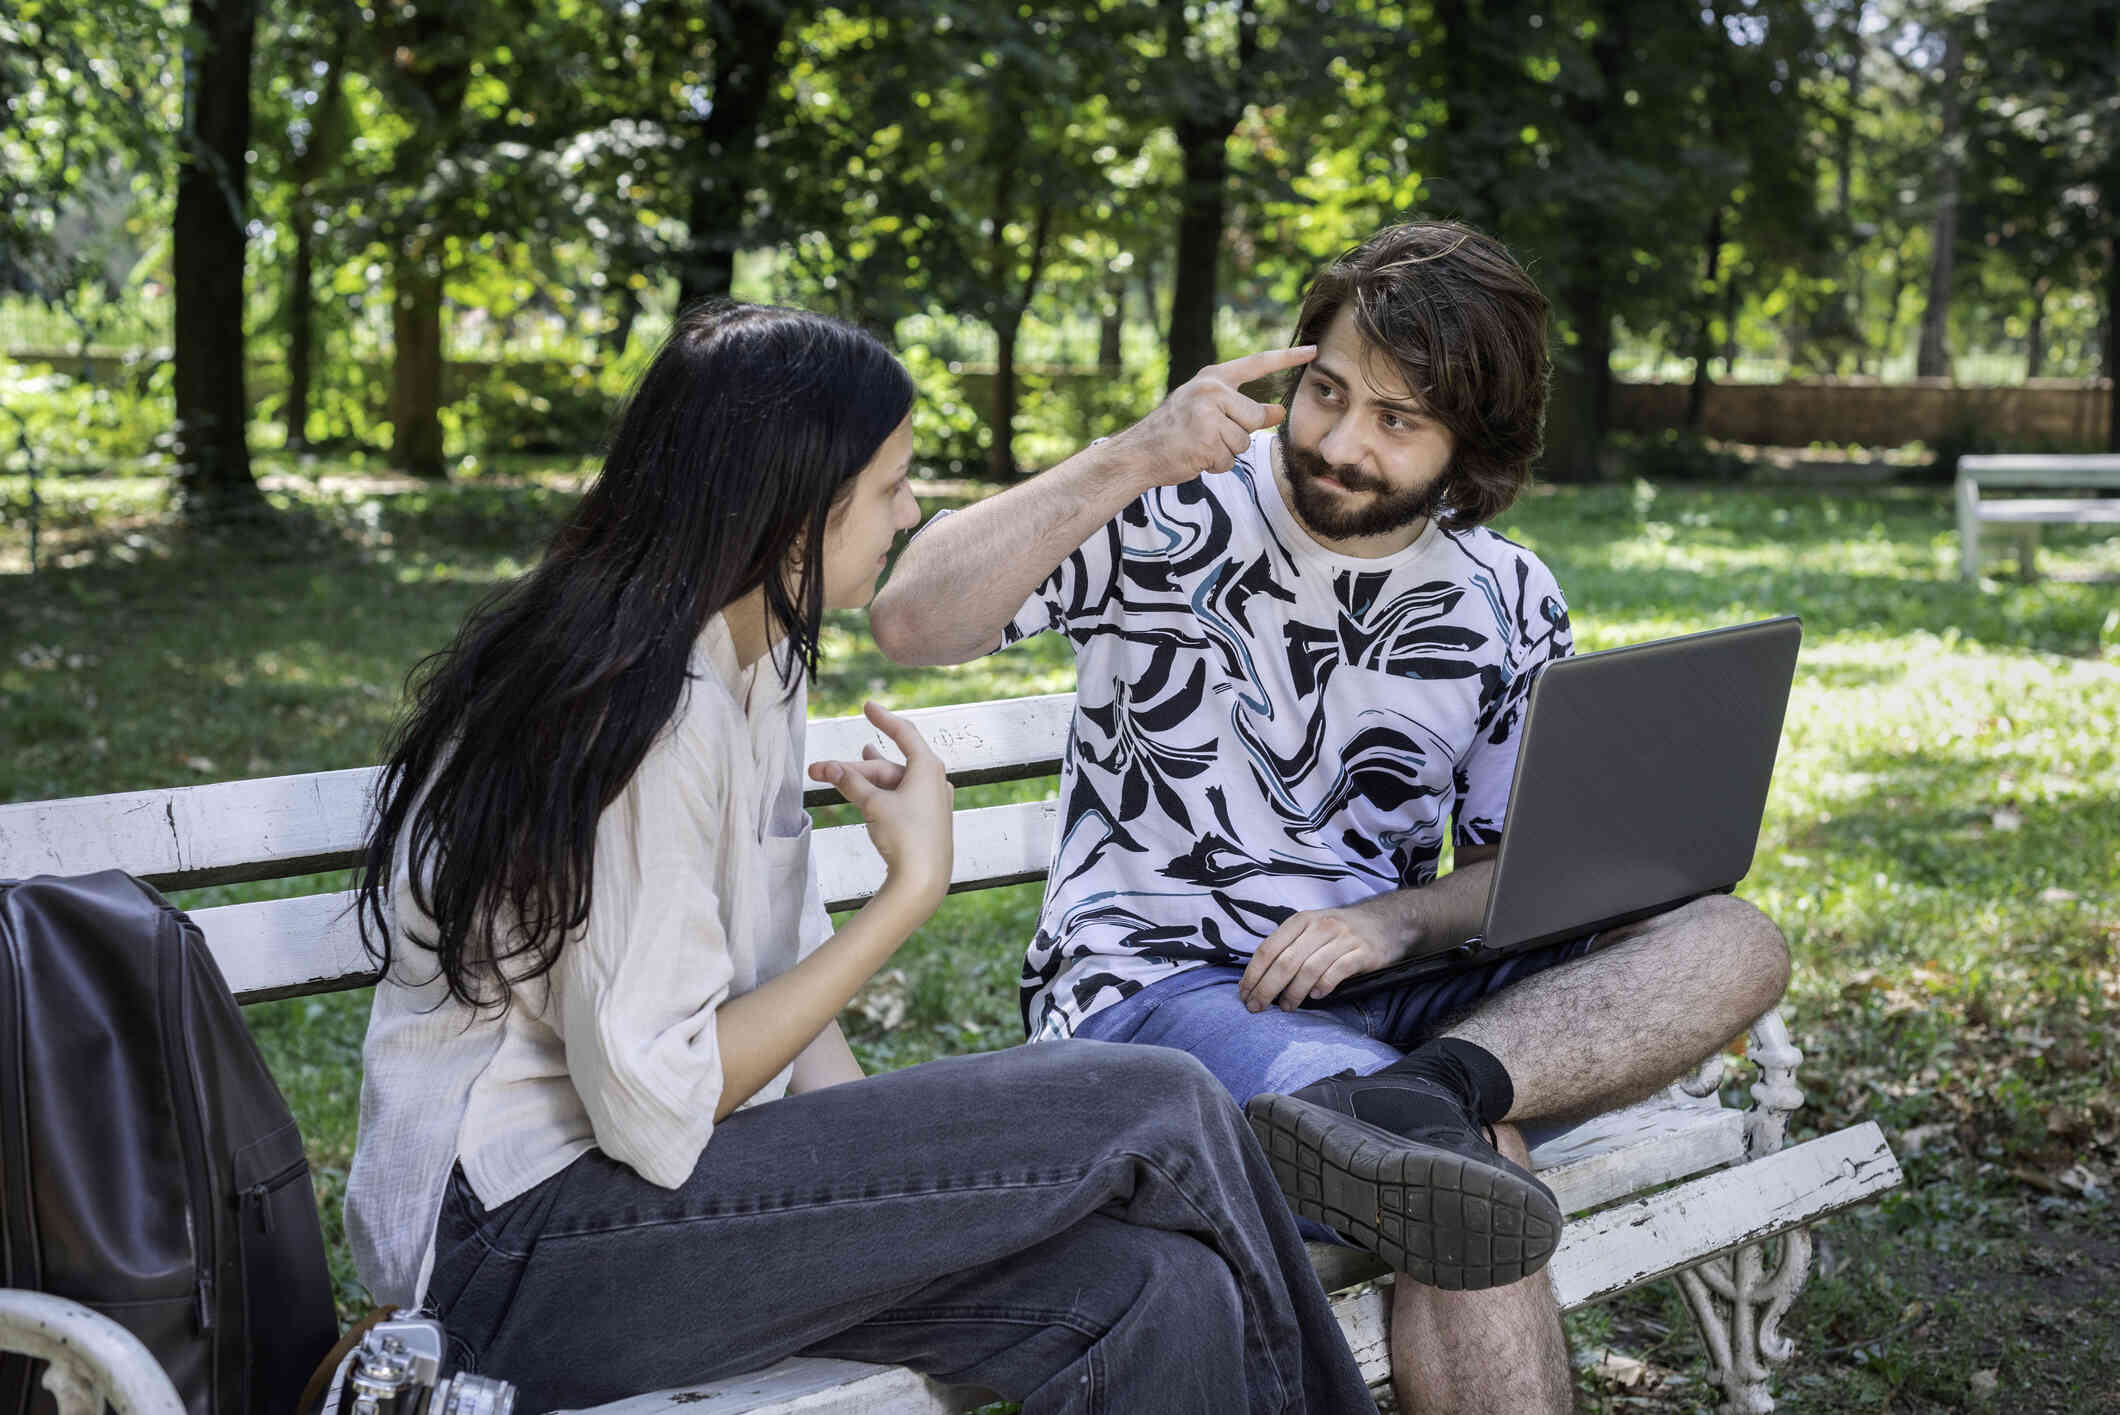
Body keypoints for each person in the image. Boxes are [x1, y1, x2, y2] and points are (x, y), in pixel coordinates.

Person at [343, 302, 1376, 1413]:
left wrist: (890, 1184)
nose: (912, 508)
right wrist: (907, 894)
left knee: (1157, 1285)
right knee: (1157, 1097)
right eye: (891, 484)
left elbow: (772, 978)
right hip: (510, 1257)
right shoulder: (632, 714)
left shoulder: (753, 656)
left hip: (659, 1211)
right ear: (794, 511)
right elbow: (656, 1107)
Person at [869, 221, 1793, 1415]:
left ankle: (1429, 1094)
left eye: (1396, 420)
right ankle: (1429, 1120)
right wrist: (1128, 453)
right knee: (1463, 1182)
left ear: (1473, 444)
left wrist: (1395, 923)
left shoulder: (1504, 595)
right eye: (1325, 391)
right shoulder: (1168, 514)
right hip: (1165, 995)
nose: (1340, 441)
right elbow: (909, 623)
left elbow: (1519, 869)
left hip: (1394, 992)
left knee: (1736, 939)